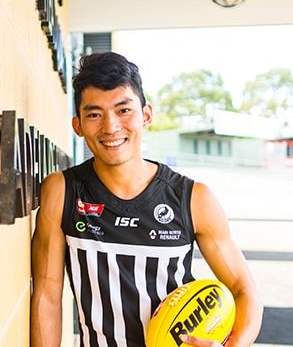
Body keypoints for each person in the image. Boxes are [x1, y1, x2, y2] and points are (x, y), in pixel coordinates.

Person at [30, 52, 263, 347]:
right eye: (94, 114)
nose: (111, 126)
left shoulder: (193, 199)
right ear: (77, 125)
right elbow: (48, 296)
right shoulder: (62, 191)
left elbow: (244, 290)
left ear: (147, 115)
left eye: (123, 110)